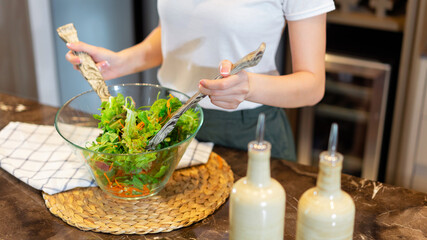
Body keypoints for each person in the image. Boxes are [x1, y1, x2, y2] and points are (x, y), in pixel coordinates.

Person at [65, 0, 336, 161]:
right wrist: (121, 61)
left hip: (246, 132)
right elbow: (175, 33)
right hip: (169, 124)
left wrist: (249, 87)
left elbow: (312, 85)